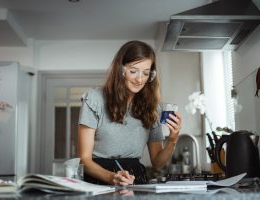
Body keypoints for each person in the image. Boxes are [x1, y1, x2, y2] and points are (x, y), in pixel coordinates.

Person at [78, 40, 182, 186]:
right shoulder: (94, 99)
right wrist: (111, 177)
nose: (140, 79)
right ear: (120, 69)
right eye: (133, 71)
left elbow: (158, 163)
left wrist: (172, 140)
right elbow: (84, 159)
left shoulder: (153, 108)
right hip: (98, 180)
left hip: (136, 180)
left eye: (146, 73)